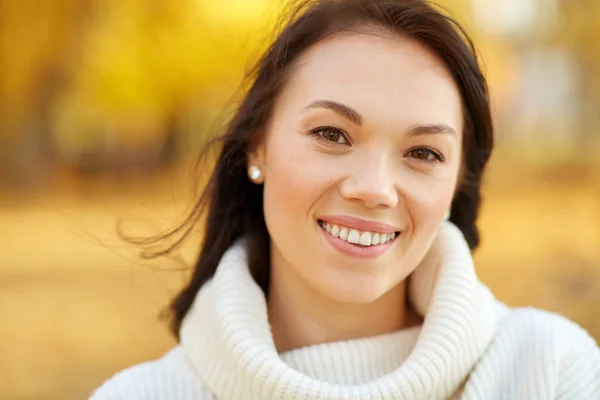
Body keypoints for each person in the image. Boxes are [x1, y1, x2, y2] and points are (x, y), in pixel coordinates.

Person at [90, 0, 600, 398]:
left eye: (423, 151)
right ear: (257, 145)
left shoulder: (549, 370)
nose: (375, 188)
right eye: (332, 135)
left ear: (456, 186)